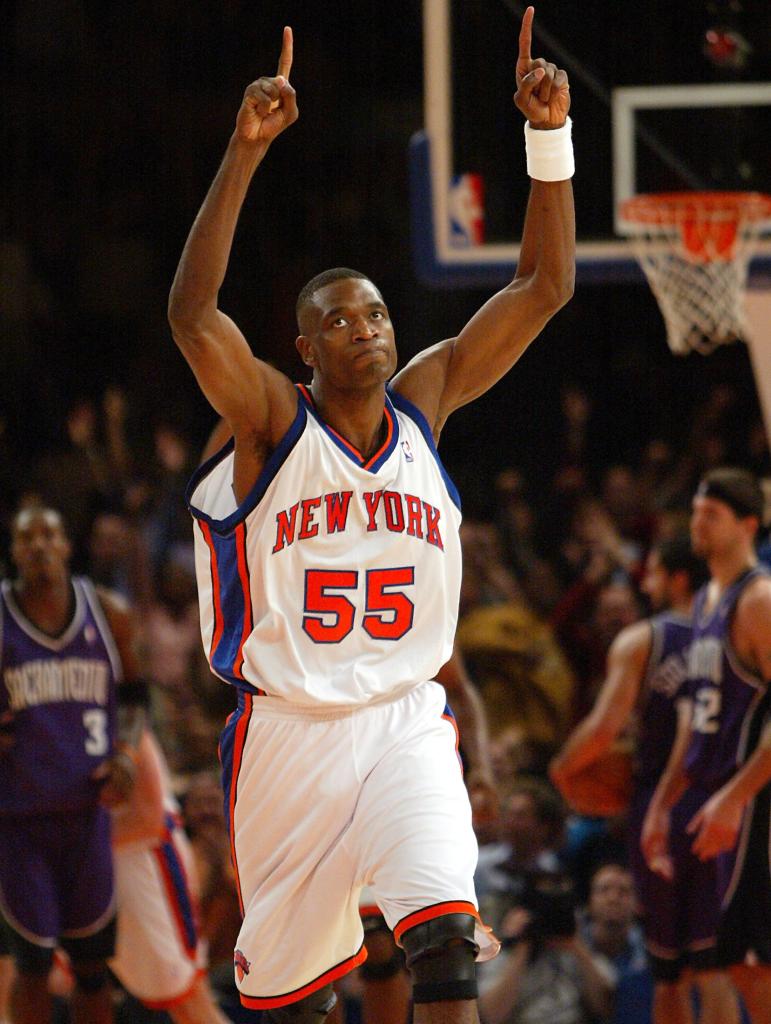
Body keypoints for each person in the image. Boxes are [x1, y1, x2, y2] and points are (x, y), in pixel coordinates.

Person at [167, 4, 574, 1020]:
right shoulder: (269, 420)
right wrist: (244, 149)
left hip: (404, 724)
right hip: (290, 734)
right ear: (303, 347)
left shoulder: (428, 400)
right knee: (297, 1002)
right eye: (337, 318)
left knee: (443, 945)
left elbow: (542, 283)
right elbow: (190, 317)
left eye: (377, 312)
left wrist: (548, 140)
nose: (364, 327)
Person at [550, 534, 714, 1024]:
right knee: (720, 965)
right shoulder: (736, 631)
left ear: (678, 577)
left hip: (662, 806)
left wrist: (562, 769)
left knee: (669, 967)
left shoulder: (646, 639)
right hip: (726, 803)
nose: (645, 580)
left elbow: (604, 728)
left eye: (655, 571)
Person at [0, 506, 145, 1024]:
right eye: (27, 538)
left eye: (50, 534)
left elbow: (135, 697)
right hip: (19, 825)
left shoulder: (109, 612)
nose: (39, 545)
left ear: (66, 545)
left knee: (92, 968)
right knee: (32, 965)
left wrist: (126, 755)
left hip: (87, 818)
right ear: (14, 551)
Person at [643, 467, 771, 1024]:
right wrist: (663, 803)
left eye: (711, 513)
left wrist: (737, 797)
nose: (697, 522)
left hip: (754, 799)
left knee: (753, 960)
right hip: (715, 796)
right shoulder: (704, 603)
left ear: (749, 525)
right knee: (737, 962)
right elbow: (695, 720)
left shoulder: (759, 599)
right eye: (695, 510)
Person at [110, 726, 231, 1023]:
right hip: (99, 862)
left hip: (148, 861)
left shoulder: (124, 715)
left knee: (190, 1002)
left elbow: (149, 818)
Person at [579, 863, 653, 1024]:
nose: (613, 898)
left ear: (637, 904)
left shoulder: (651, 951)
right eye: (603, 890)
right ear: (590, 901)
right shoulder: (570, 942)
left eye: (624, 891)